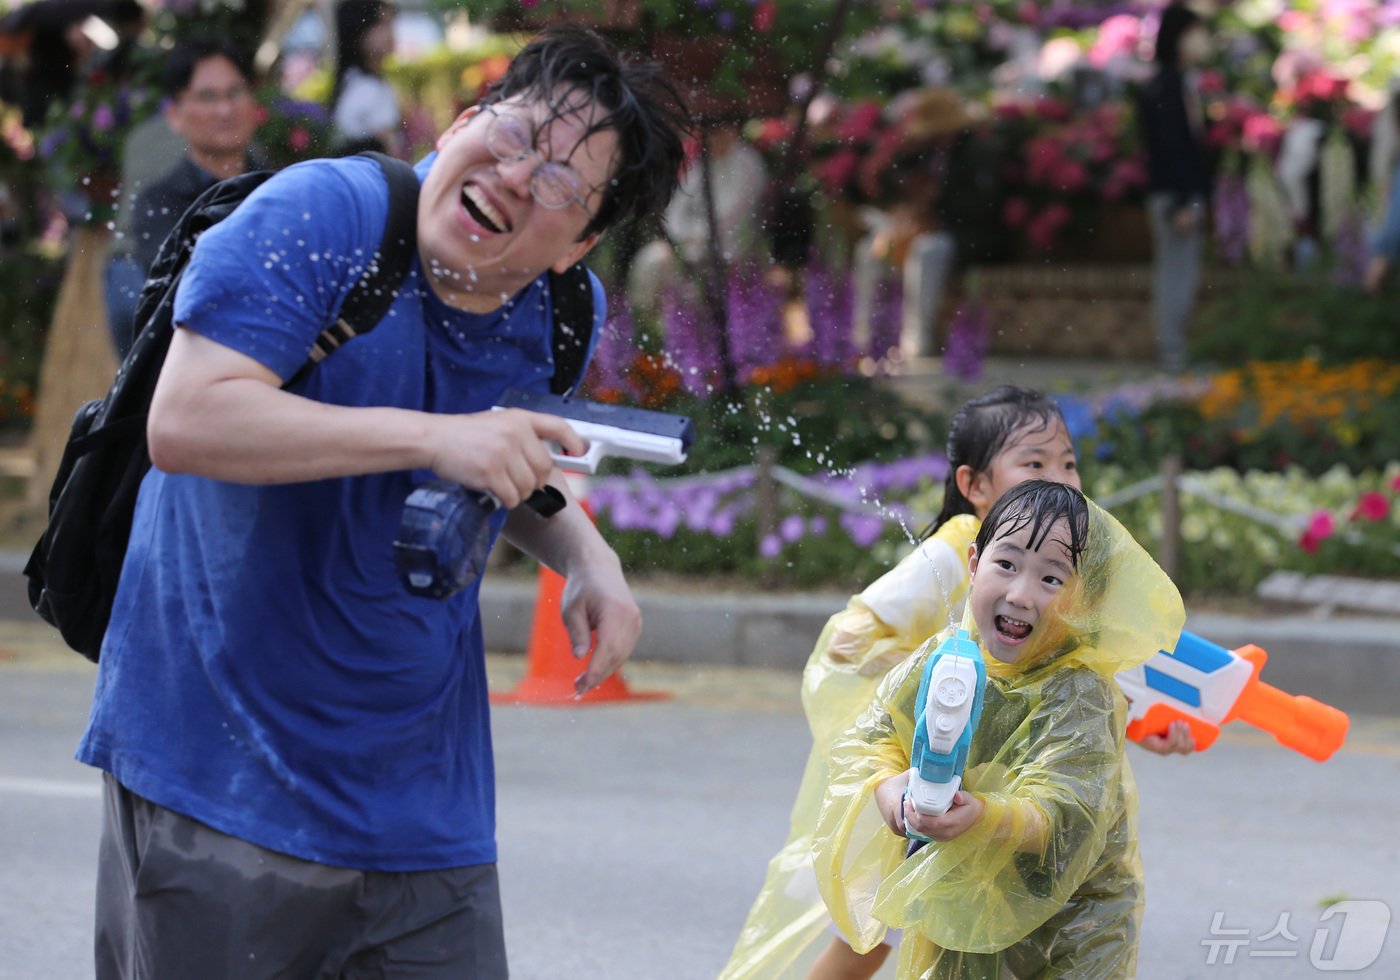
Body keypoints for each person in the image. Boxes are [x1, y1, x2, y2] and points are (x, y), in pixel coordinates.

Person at [76, 25, 688, 979]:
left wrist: (585, 556)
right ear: (462, 122)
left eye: (564, 182)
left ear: (583, 243)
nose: (522, 177)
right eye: (516, 135)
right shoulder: (323, 214)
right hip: (221, 769)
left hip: (424, 811)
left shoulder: (560, 311)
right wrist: (435, 436)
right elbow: (188, 420)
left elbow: (507, 455)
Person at [720, 386, 1193, 980]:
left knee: (890, 935)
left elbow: (1076, 757)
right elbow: (853, 654)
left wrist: (1140, 727)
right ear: (974, 494)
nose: (1061, 479)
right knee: (878, 935)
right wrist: (926, 736)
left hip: (1045, 872)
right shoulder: (952, 562)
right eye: (1035, 463)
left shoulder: (1072, 641)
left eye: (1067, 463)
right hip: (946, 792)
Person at [813, 480, 1186, 977]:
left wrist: (983, 818)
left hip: (1072, 932)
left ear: (1086, 601)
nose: (1021, 594)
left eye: (1052, 579)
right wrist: (888, 786)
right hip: (959, 913)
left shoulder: (1077, 691)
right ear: (973, 564)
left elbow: (1066, 815)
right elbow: (874, 736)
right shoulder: (945, 657)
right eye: (1006, 564)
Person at [108, 37, 261, 358]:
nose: (225, 109)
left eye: (235, 92)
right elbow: (194, 292)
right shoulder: (160, 201)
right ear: (175, 115)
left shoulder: (278, 183)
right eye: (207, 97)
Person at [1138, 2, 1213, 374]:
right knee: (1176, 270)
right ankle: (1171, 350)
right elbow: (1171, 147)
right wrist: (1183, 201)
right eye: (1196, 32)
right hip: (1175, 196)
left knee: (1179, 268)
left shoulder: (1177, 83)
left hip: (1178, 193)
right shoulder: (1166, 86)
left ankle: (1173, 347)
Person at [331, 0, 402, 156]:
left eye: (391, 23)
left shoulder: (351, 80)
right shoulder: (370, 89)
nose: (391, 32)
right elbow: (391, 151)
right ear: (359, 32)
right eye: (381, 24)